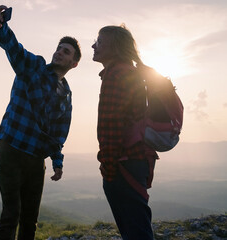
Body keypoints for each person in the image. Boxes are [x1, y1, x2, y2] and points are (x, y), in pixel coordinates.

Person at [0, 5, 81, 240]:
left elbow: (58, 133)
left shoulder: (66, 95)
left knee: (30, 218)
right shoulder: (34, 67)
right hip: (12, 148)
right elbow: (12, 46)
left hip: (36, 158)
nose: (59, 52)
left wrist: (57, 161)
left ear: (74, 63)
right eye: (59, 48)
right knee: (11, 213)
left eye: (66, 52)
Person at [92, 25, 158, 240]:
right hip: (134, 160)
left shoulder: (117, 74)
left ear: (116, 47)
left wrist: (108, 168)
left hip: (123, 163)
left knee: (136, 232)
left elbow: (111, 123)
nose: (94, 45)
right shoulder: (130, 72)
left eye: (100, 41)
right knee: (137, 227)